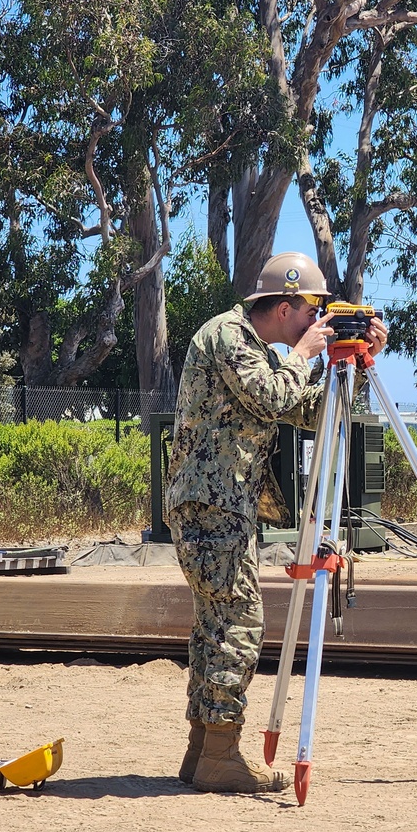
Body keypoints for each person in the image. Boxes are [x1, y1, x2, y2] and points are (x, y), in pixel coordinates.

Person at [165, 251, 388, 793]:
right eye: (314, 312)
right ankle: (220, 753)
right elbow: (271, 396)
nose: (318, 323)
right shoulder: (228, 337)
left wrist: (353, 366)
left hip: (222, 508)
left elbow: (308, 411)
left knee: (215, 628)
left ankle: (204, 750)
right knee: (238, 625)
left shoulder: (261, 351)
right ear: (285, 305)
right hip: (209, 507)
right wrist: (308, 355)